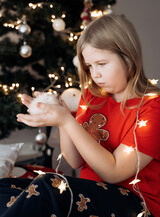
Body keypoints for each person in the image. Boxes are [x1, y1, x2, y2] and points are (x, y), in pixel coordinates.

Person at [0, 14, 160, 217]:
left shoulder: (153, 108)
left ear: (128, 58)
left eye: (101, 63)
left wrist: (67, 121)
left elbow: (113, 172)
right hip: (87, 193)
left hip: (136, 203)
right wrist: (62, 116)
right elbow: (75, 160)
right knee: (5, 188)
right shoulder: (92, 96)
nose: (95, 74)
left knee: (50, 185)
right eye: (89, 66)